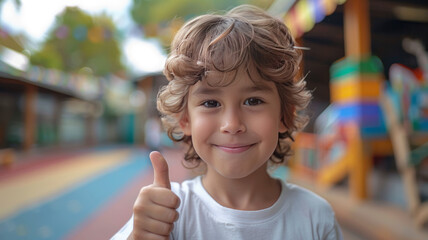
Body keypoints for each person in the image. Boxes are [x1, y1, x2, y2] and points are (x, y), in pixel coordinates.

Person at [112, 4, 343, 240]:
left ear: (285, 114)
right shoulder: (164, 215)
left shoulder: (316, 217)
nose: (232, 124)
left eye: (253, 101)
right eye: (211, 103)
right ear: (185, 119)